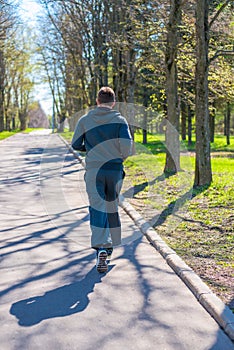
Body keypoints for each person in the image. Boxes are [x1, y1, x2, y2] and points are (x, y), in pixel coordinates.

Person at [72, 87, 132, 273]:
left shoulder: (85, 120)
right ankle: (108, 247)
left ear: (97, 101)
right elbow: (127, 148)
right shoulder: (120, 121)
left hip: (94, 170)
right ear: (113, 102)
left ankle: (101, 248)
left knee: (97, 207)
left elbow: (75, 144)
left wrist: (90, 148)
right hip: (114, 171)